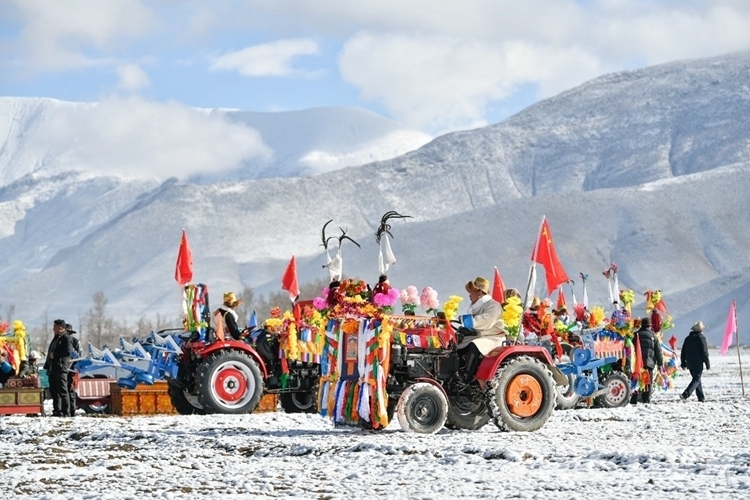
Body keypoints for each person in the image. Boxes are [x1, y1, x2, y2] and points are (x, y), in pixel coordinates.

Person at [456, 277, 505, 382]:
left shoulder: (493, 305)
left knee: (475, 345)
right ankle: (455, 370)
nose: (469, 295)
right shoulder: (478, 306)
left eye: (471, 292)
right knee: (457, 345)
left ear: (479, 293)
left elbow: (486, 320)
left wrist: (467, 321)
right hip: (481, 335)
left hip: (494, 337)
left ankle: (467, 375)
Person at [631, 316, 664, 404]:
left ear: (641, 325)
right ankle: (646, 400)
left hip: (637, 363)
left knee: (637, 381)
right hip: (649, 363)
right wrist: (660, 364)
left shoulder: (635, 335)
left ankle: (633, 399)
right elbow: (658, 352)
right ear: (650, 326)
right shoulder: (654, 336)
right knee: (647, 382)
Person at [43, 319, 72, 417]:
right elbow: (50, 352)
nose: (53, 329)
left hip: (61, 368)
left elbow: (68, 351)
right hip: (53, 368)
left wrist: (55, 355)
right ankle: (57, 411)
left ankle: (66, 412)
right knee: (54, 392)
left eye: (54, 327)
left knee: (63, 391)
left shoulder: (66, 338)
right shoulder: (56, 338)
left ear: (60, 328)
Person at [680, 320, 710, 402]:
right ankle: (686, 394)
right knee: (696, 379)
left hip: (689, 363)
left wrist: (683, 363)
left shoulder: (687, 339)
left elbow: (683, 351)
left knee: (697, 379)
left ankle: (701, 397)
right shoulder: (701, 338)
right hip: (698, 363)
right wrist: (707, 363)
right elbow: (705, 352)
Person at [65, 323, 81, 417]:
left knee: (71, 390)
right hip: (63, 369)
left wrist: (73, 370)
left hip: (72, 370)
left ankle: (72, 411)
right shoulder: (60, 341)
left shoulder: (76, 342)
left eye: (68, 332)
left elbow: (78, 357)